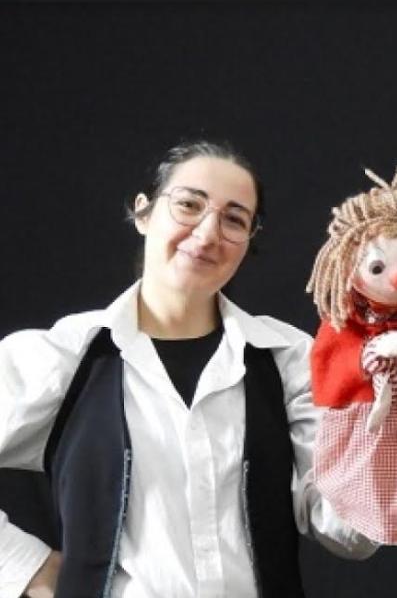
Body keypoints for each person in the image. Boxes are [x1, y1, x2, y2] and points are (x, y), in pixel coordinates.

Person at [0, 140, 377, 597]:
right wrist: (28, 568)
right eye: (188, 205)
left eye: (234, 219)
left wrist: (392, 423)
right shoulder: (66, 356)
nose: (207, 233)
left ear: (248, 242)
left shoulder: (289, 359)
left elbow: (349, 535)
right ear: (143, 213)